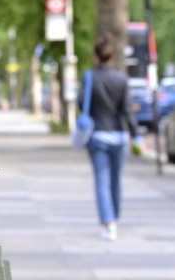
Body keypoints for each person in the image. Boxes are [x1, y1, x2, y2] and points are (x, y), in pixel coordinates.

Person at [77, 31, 143, 242]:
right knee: (116, 181)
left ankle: (109, 223)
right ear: (112, 55)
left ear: (96, 55)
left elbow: (80, 103)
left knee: (101, 181)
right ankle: (114, 216)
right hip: (119, 137)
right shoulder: (121, 79)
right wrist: (136, 136)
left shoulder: (89, 77)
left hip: (97, 136)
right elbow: (127, 111)